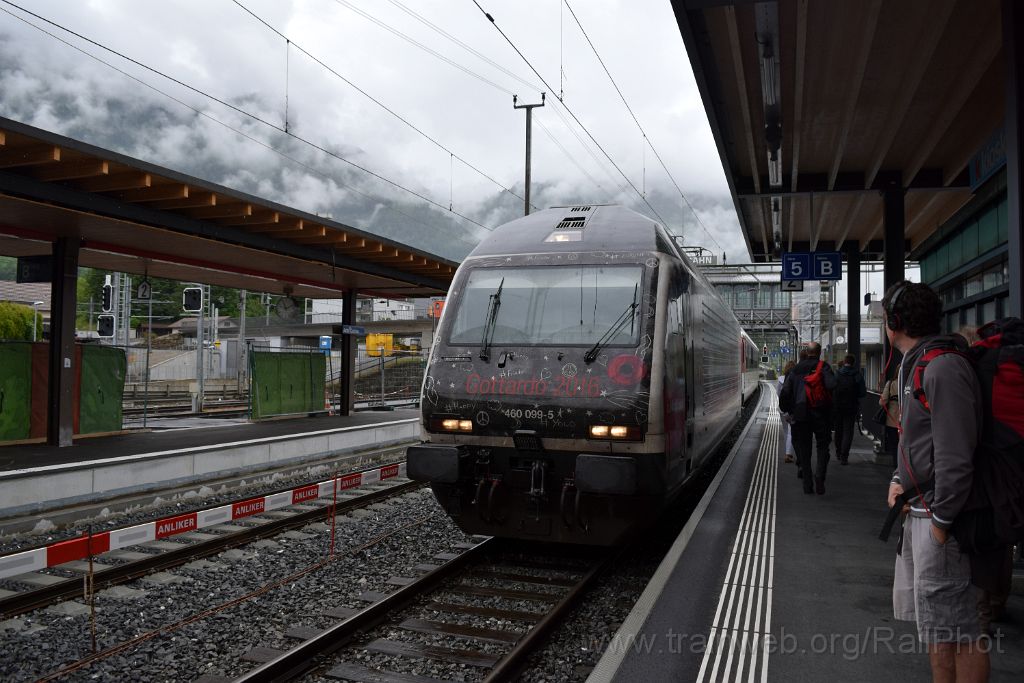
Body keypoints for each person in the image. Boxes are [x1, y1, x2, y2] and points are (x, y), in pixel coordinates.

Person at [883, 281, 989, 681]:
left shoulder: (942, 367)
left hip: (940, 519)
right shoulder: (917, 363)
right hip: (921, 512)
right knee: (937, 629)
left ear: (894, 323)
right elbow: (918, 438)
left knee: (960, 632)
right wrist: (899, 478)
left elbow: (955, 456)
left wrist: (943, 523)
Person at [778, 342, 836, 495]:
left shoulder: (796, 369)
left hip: (801, 413)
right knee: (823, 446)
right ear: (819, 353)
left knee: (805, 448)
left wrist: (786, 409)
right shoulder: (824, 367)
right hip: (821, 413)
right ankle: (820, 477)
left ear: (807, 352)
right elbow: (832, 385)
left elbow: (785, 392)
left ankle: (807, 483)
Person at [832, 354, 866, 465]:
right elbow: (862, 393)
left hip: (837, 407)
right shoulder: (857, 375)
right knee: (848, 431)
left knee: (838, 430)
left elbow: (831, 389)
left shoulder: (837, 374)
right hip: (851, 406)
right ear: (853, 363)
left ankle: (838, 452)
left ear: (844, 361)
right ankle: (844, 456)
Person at [878, 376, 901, 470]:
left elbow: (882, 402)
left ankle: (896, 466)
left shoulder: (891, 383)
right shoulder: (910, 383)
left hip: (892, 418)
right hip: (906, 418)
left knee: (894, 443)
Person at [777, 360, 797, 463]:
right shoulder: (796, 379)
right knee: (791, 431)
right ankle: (788, 453)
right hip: (792, 409)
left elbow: (778, 394)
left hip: (782, 409)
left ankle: (788, 452)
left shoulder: (781, 379)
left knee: (786, 431)